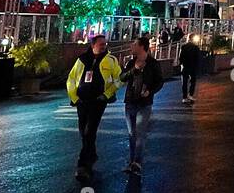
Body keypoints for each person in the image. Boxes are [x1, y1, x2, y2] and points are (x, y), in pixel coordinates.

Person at [66, 35, 122, 182]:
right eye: (101, 44)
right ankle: (92, 154)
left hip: (98, 101)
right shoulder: (82, 60)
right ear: (93, 45)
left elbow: (118, 79)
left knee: (89, 131)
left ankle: (84, 165)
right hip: (82, 101)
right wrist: (74, 98)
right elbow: (71, 79)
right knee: (83, 130)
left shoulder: (111, 61)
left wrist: (107, 94)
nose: (104, 46)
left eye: (105, 44)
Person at [119, 36, 164, 175]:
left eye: (134, 44)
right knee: (131, 134)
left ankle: (137, 162)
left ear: (142, 47)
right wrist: (134, 69)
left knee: (139, 133)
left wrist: (150, 91)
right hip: (130, 102)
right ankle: (131, 161)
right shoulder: (131, 62)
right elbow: (122, 77)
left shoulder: (152, 63)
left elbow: (159, 82)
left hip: (144, 104)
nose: (132, 46)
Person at [178, 35, 202, 104]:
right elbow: (198, 59)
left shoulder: (184, 47)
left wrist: (181, 64)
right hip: (193, 67)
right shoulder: (196, 47)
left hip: (185, 66)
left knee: (184, 82)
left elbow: (181, 57)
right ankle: (190, 95)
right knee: (193, 81)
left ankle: (184, 97)